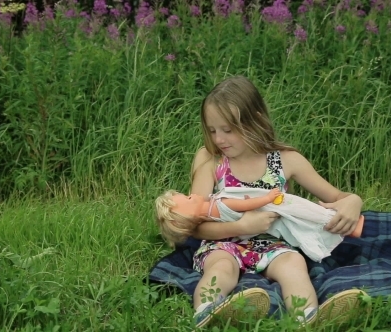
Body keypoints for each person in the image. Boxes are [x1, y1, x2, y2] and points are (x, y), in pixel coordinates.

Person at [182, 75, 368, 328]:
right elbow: (194, 226)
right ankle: (207, 312)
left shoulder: (286, 160)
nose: (219, 139)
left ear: (256, 119)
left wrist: (354, 201)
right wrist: (241, 227)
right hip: (221, 243)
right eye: (212, 130)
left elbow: (338, 197)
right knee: (222, 268)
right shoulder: (211, 159)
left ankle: (308, 319)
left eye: (228, 130)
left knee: (294, 264)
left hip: (272, 246)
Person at [154, 187, 365, 262]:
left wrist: (354, 200)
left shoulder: (213, 208)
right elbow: (247, 204)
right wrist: (267, 198)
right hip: (272, 211)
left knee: (306, 216)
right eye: (187, 199)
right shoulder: (216, 205)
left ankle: (341, 224)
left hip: (276, 211)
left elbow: (245, 204)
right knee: (306, 217)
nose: (192, 195)